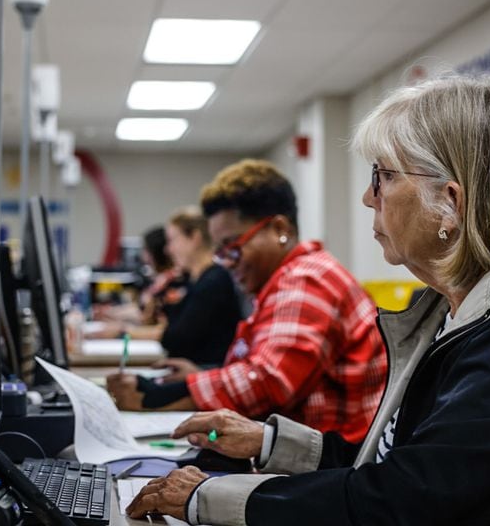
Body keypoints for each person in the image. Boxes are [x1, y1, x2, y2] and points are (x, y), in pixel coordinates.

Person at [124, 76, 490, 525]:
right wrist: (270, 443)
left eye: (383, 176)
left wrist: (211, 497)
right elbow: (406, 463)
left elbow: (404, 501)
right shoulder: (463, 307)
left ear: (450, 202)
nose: (370, 197)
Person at [107, 160, 386, 444]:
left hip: (330, 469)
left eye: (234, 246)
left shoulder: (308, 278)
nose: (227, 262)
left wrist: (153, 397)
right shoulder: (285, 280)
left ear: (280, 229)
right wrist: (206, 377)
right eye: (221, 251)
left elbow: (268, 381)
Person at [155, 206, 244, 366]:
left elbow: (175, 338)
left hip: (206, 374)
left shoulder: (213, 282)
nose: (168, 249)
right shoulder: (193, 280)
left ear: (195, 237)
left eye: (172, 240)